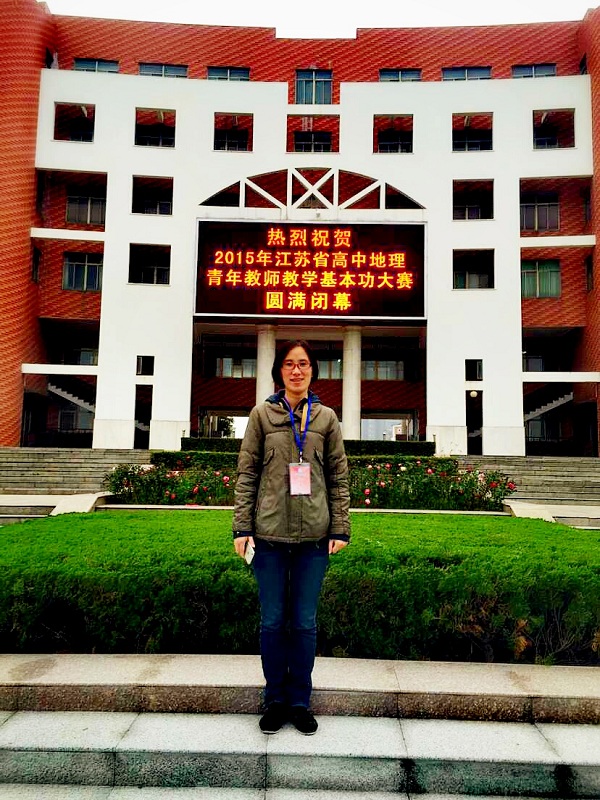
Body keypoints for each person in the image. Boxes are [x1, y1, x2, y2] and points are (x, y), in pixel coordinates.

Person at [233, 339, 350, 735]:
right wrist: (242, 527)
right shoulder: (261, 415)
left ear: (312, 370)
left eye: (303, 364)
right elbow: (247, 474)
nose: (296, 370)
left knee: (303, 623)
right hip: (267, 537)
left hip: (314, 539)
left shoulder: (326, 418)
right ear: (279, 372)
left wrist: (340, 527)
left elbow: (338, 476)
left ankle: (299, 701)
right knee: (272, 621)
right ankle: (274, 700)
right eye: (289, 364)